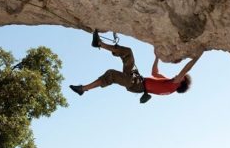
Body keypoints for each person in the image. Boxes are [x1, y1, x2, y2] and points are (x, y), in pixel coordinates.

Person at [69, 31, 203, 102]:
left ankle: (83, 89)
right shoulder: (169, 83)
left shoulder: (174, 84)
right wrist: (157, 56)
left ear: (182, 82)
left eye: (180, 77)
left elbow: (186, 69)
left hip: (137, 84)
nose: (177, 76)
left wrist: (197, 56)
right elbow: (155, 73)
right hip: (137, 79)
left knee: (111, 75)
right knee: (128, 53)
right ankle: (99, 43)